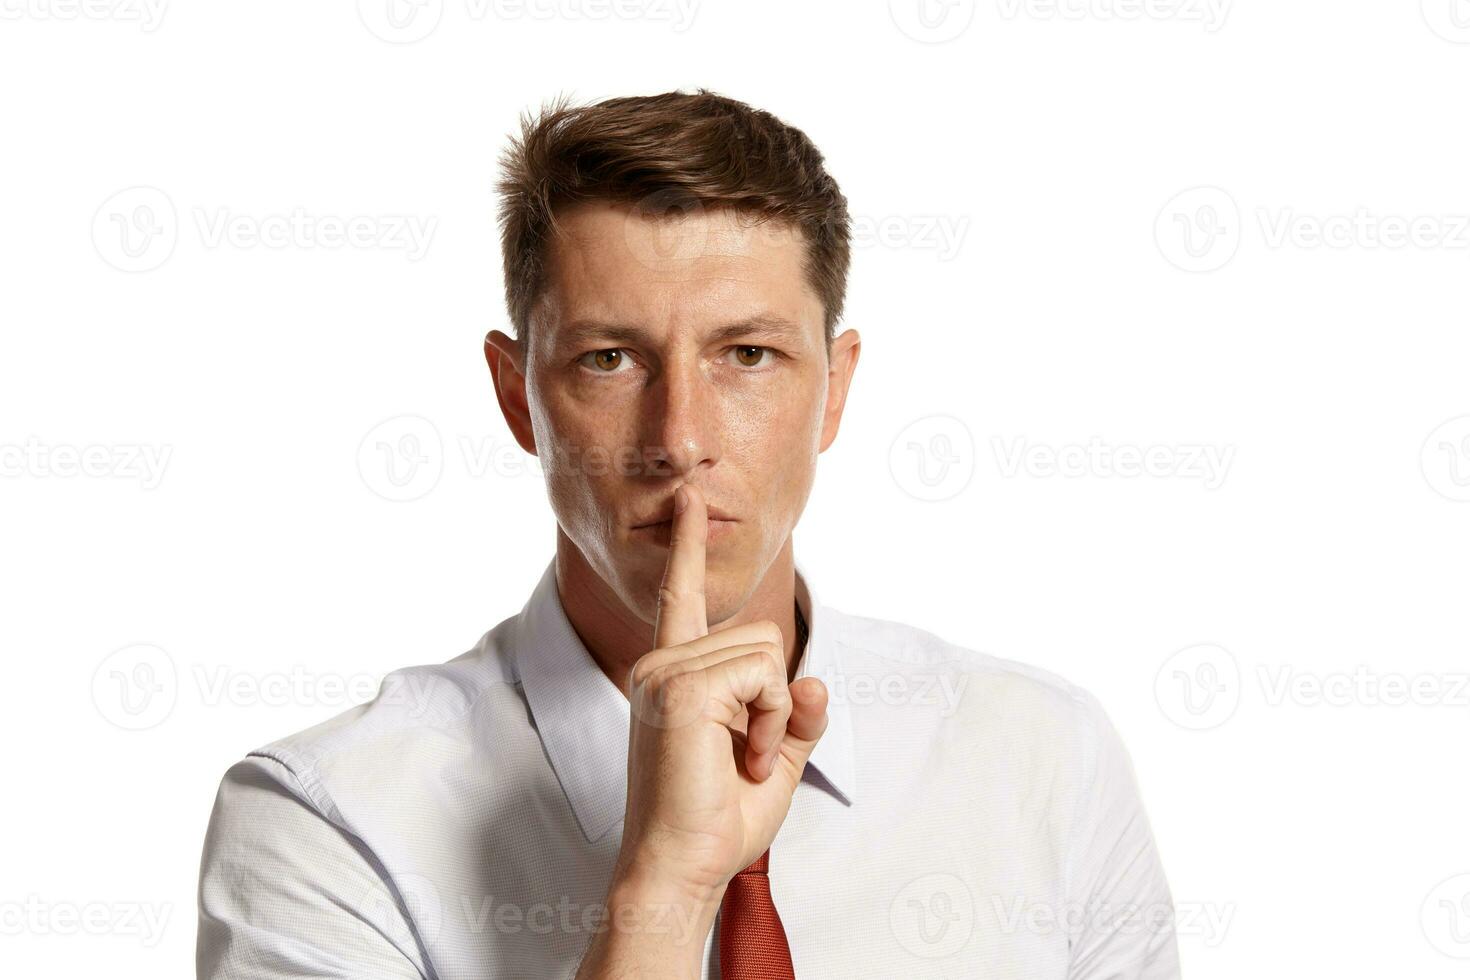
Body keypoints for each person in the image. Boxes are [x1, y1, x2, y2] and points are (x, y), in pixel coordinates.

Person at [196, 89, 1180, 979]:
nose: (681, 439)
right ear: (516, 396)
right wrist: (662, 884)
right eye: (610, 358)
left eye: (748, 354)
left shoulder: (1044, 757)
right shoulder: (328, 820)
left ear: (833, 391)